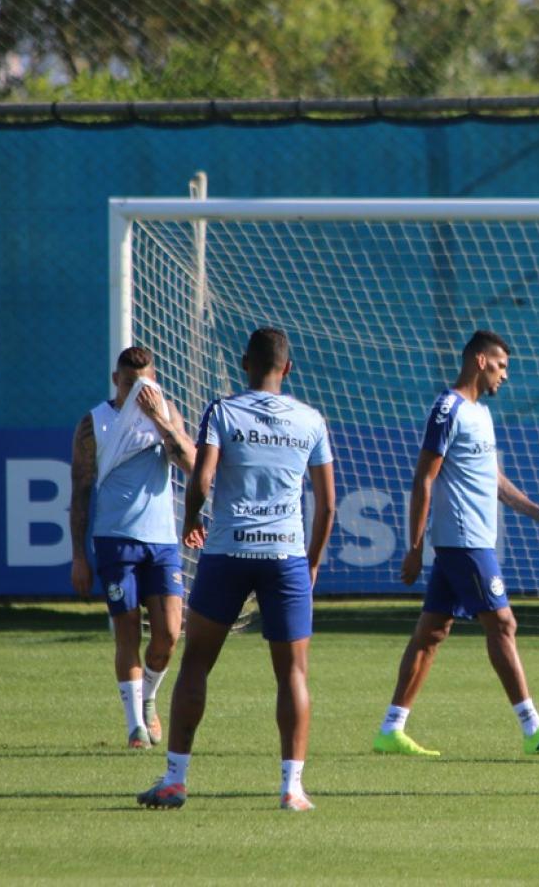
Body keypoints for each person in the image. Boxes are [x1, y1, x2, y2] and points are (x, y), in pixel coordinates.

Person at [136, 327, 336, 811]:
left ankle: (175, 779)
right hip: (284, 555)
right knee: (292, 673)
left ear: (245, 363)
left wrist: (190, 519)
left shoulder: (224, 411)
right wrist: (310, 561)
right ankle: (292, 788)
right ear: (287, 368)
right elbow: (327, 504)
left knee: (197, 663)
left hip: (228, 551)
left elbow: (202, 479)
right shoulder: (310, 420)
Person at [372, 331, 539, 759]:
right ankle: (533, 728)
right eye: (501, 365)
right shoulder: (448, 408)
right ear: (478, 361)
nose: (504, 375)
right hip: (463, 540)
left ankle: (390, 729)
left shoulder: (480, 414)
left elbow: (495, 481)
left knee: (432, 633)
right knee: (503, 624)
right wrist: (415, 546)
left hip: (470, 540)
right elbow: (424, 477)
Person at [70, 346, 195, 749]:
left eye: (145, 382)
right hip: (115, 540)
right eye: (129, 383)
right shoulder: (96, 423)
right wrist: (78, 556)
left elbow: (191, 464)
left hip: (160, 542)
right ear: (115, 381)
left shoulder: (166, 413)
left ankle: (149, 699)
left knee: (169, 636)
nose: (138, 390)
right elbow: (81, 489)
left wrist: (159, 418)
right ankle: (133, 727)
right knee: (126, 634)